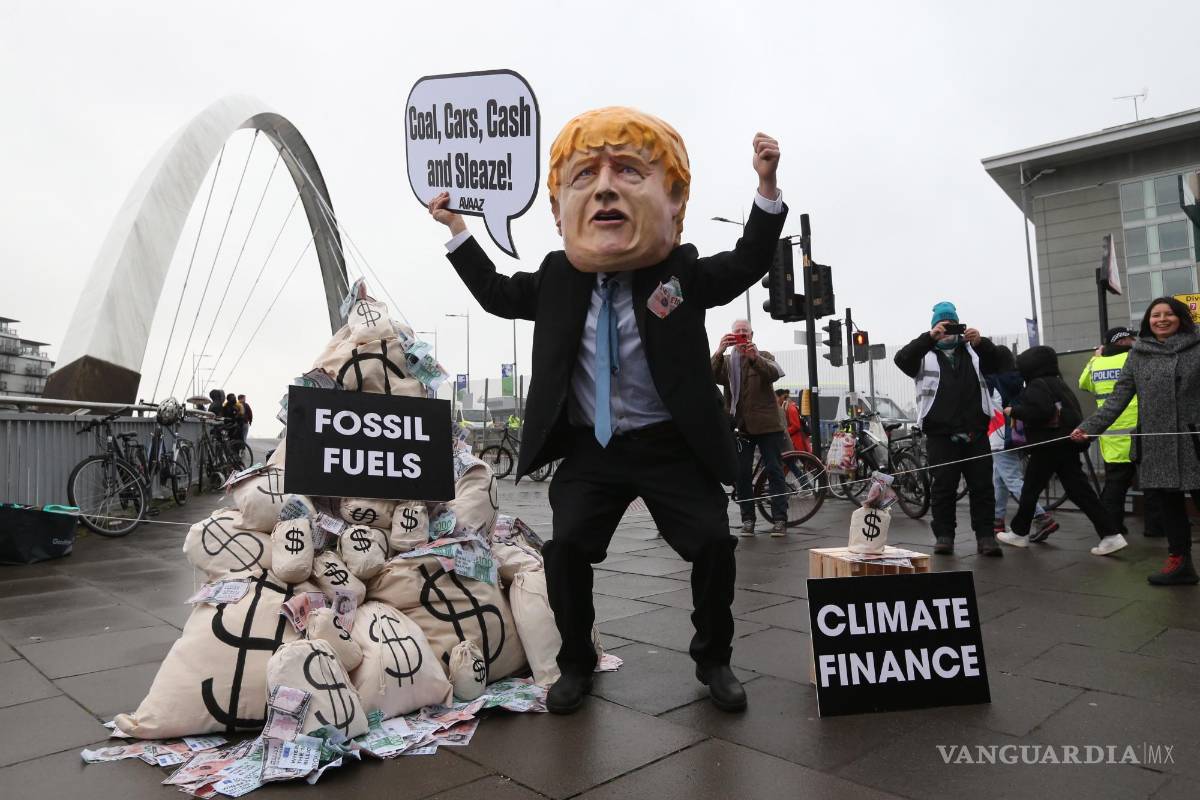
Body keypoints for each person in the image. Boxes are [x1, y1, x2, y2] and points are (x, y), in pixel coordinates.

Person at [429, 106, 786, 714]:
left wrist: (766, 187)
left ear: (673, 203)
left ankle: (715, 658)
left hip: (669, 444)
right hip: (592, 450)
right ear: (558, 212)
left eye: (626, 171)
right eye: (584, 177)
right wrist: (458, 228)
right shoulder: (557, 277)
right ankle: (575, 662)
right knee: (565, 550)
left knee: (713, 545)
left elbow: (748, 261)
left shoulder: (680, 273)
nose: (604, 189)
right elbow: (494, 294)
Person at [1073, 297, 1200, 585]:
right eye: (1156, 315)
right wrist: (1089, 428)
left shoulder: (1197, 347)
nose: (1162, 319)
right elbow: (1117, 399)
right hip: (1158, 443)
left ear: (1181, 318)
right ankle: (1180, 563)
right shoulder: (1138, 354)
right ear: (1147, 322)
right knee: (1170, 507)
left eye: (1169, 314)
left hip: (1194, 440)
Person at [894, 302, 1002, 556]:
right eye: (942, 326)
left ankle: (986, 536)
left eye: (952, 325)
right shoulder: (924, 355)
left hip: (976, 433)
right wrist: (928, 338)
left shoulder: (974, 352)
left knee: (983, 488)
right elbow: (901, 358)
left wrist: (982, 342)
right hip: (941, 435)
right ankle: (944, 535)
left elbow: (1000, 363)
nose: (948, 331)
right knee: (943, 488)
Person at [1003, 346, 1124, 555]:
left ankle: (1019, 533)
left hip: (1047, 447)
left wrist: (1014, 411)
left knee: (1030, 491)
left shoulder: (1036, 385)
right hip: (1065, 445)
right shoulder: (1058, 383)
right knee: (1081, 492)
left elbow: (1041, 412)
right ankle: (1111, 535)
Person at [1078, 327, 1162, 539]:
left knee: (1115, 484)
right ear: (1123, 340)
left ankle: (1112, 528)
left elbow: (1083, 384)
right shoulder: (1134, 358)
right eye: (1131, 338)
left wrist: (1094, 359)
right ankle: (1154, 528)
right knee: (1152, 482)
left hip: (1111, 434)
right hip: (1140, 431)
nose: (1134, 340)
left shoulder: (1096, 363)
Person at [713, 319, 788, 536]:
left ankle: (780, 520)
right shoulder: (726, 361)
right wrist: (719, 350)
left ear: (752, 334)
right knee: (742, 474)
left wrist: (755, 358)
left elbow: (773, 374)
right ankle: (748, 519)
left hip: (767, 425)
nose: (741, 335)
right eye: (737, 332)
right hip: (741, 426)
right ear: (731, 335)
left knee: (774, 471)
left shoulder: (764, 355)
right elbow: (709, 375)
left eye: (744, 332)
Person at [985, 346, 1057, 545]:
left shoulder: (992, 382)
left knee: (1012, 479)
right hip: (1018, 435)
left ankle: (1041, 517)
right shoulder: (1019, 380)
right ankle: (997, 521)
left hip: (999, 437)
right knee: (999, 478)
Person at [777, 388, 811, 454]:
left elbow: (796, 426)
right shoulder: (788, 407)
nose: (776, 400)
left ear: (781, 397)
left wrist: (785, 432)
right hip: (795, 439)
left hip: (796, 440)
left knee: (801, 460)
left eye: (776, 397)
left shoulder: (790, 408)